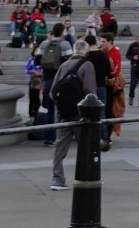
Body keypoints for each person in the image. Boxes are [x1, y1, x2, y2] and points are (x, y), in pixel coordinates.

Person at [48, 40, 97, 191]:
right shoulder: (87, 65)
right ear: (86, 52)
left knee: (60, 147)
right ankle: (87, 176)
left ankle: (57, 179)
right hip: (79, 114)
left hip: (62, 113)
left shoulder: (64, 65)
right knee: (87, 146)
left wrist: (63, 105)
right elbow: (90, 92)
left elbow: (52, 92)